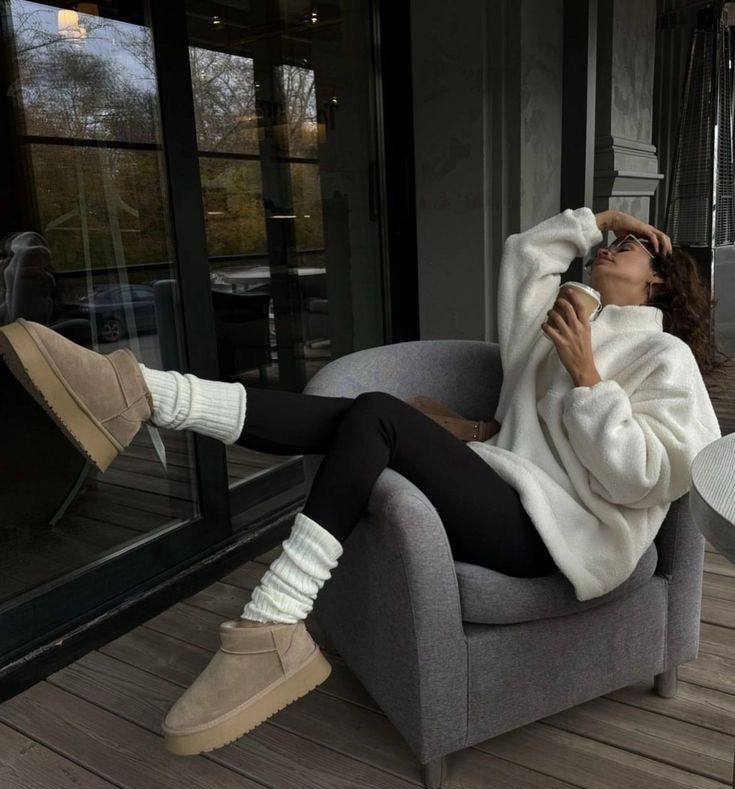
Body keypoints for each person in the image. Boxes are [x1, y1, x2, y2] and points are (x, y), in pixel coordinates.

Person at [0, 205, 722, 757]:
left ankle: (270, 609)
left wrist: (588, 381)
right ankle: (144, 397)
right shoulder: (563, 315)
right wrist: (595, 219)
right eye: (610, 240)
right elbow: (521, 254)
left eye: (626, 247)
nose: (608, 248)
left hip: (556, 535)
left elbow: (654, 478)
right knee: (357, 417)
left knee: (372, 415)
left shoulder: (663, 357)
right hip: (501, 486)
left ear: (657, 278)